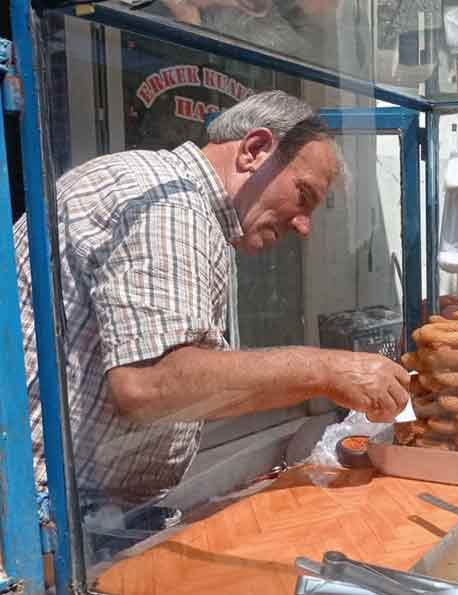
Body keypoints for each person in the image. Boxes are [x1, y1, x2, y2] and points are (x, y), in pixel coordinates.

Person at [14, 91, 410, 512]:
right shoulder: (170, 203)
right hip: (45, 514)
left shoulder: (181, 201)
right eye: (303, 196)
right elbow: (149, 384)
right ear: (254, 151)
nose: (303, 225)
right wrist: (329, 370)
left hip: (81, 509)